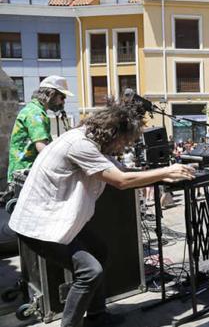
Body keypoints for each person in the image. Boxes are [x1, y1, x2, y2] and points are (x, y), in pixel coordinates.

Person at [8, 98, 195, 327]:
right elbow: (122, 180)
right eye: (124, 142)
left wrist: (161, 175)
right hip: (40, 226)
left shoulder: (89, 138)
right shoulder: (80, 145)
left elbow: (122, 169)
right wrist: (167, 170)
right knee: (89, 271)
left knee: (99, 250)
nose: (123, 148)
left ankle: (96, 317)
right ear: (114, 133)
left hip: (57, 219)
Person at [7, 75, 73, 182]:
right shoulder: (36, 114)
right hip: (26, 174)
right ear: (51, 94)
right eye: (62, 97)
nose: (63, 102)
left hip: (24, 172)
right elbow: (42, 148)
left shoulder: (33, 110)